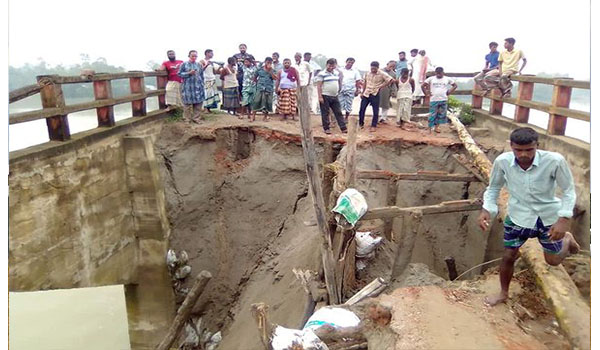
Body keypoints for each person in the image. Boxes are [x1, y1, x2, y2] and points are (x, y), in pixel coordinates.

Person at [478, 127, 579, 306]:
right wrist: (487, 209)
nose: (523, 154)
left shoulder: (554, 161)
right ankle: (503, 293)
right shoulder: (502, 162)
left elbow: (569, 191)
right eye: (518, 150)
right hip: (518, 216)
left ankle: (567, 240)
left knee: (553, 261)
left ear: (537, 146)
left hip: (548, 216)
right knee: (509, 255)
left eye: (529, 150)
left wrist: (563, 219)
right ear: (511, 146)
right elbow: (493, 188)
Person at [358, 61, 394, 132]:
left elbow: (391, 80)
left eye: (374, 69)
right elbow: (365, 82)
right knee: (362, 109)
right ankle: (360, 123)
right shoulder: (367, 73)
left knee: (375, 110)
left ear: (378, 68)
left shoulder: (382, 74)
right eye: (372, 68)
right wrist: (362, 92)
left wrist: (381, 86)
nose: (373, 70)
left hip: (375, 93)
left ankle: (373, 125)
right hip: (366, 93)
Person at [315, 58, 348, 135]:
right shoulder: (322, 74)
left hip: (335, 96)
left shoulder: (336, 73)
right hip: (325, 96)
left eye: (333, 65)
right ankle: (326, 128)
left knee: (338, 112)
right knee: (325, 113)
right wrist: (320, 97)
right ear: (327, 65)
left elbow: (339, 82)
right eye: (330, 65)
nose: (331, 67)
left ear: (335, 66)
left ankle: (343, 128)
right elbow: (319, 86)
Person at [421, 67, 457, 133]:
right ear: (435, 73)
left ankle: (437, 127)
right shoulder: (431, 79)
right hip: (434, 99)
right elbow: (423, 85)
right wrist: (426, 93)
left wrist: (449, 91)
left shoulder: (447, 79)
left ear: (443, 73)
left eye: (440, 74)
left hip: (443, 99)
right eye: (437, 74)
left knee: (441, 114)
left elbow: (455, 85)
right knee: (432, 114)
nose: (438, 75)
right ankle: (430, 128)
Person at [177, 50, 205, 123]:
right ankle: (187, 119)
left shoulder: (199, 65)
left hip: (197, 86)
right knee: (187, 104)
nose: (194, 57)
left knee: (198, 103)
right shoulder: (183, 64)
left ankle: (196, 118)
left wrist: (202, 84)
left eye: (195, 56)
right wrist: (188, 73)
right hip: (187, 87)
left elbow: (201, 75)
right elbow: (179, 74)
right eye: (193, 56)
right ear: (189, 56)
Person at [251, 57, 277, 122]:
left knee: (267, 103)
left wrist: (270, 71)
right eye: (268, 62)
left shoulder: (273, 70)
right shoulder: (259, 69)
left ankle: (265, 117)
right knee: (256, 101)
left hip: (269, 88)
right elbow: (254, 78)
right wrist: (259, 83)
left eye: (270, 63)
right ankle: (253, 116)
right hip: (260, 88)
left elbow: (275, 78)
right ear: (265, 62)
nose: (269, 64)